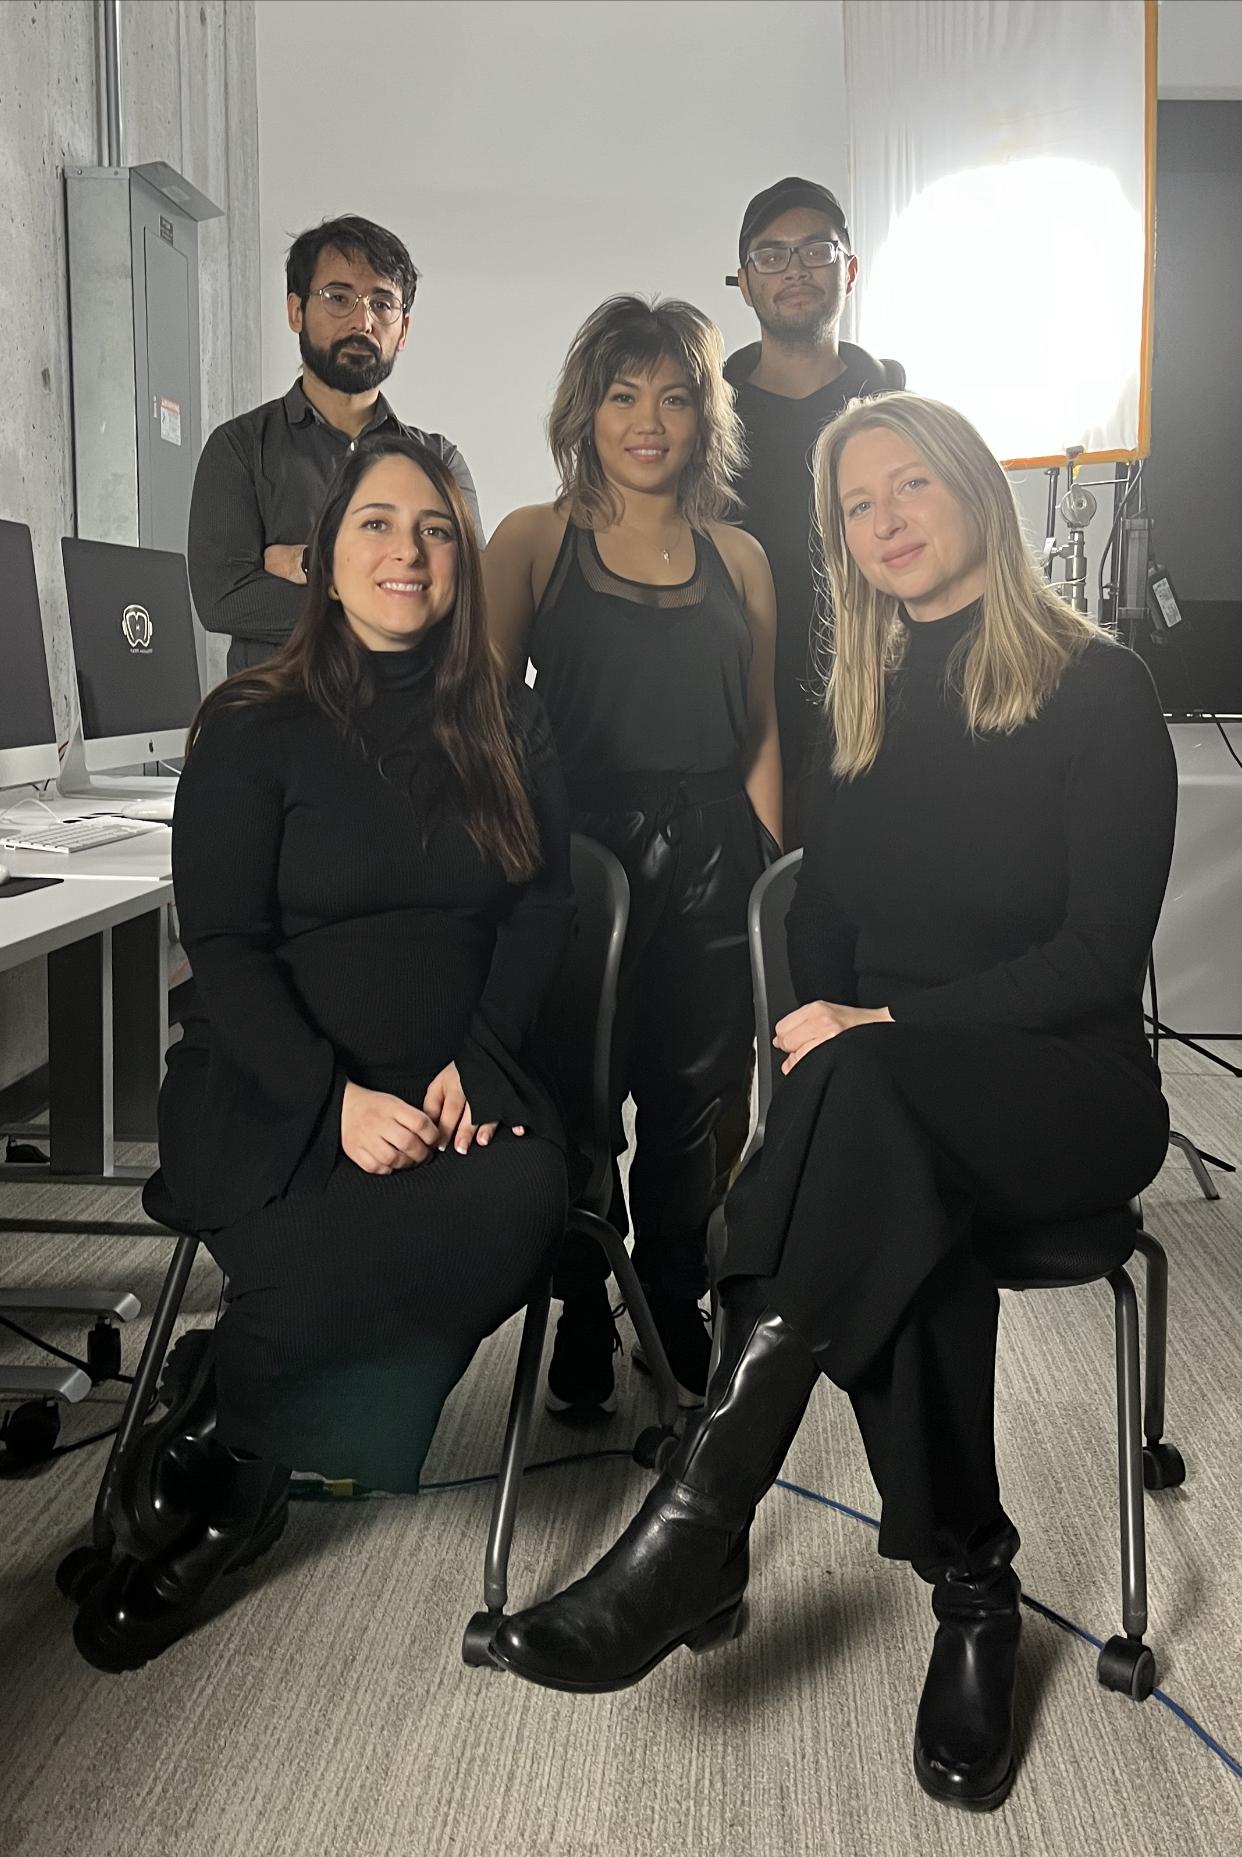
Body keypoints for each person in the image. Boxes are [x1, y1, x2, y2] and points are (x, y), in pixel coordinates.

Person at [488, 393, 1177, 1814]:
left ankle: (699, 1518)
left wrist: (877, 1027)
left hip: (1065, 1086)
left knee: (858, 1108)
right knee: (880, 1173)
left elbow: (1096, 957)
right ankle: (970, 1586)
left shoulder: (1098, 690)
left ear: (974, 490)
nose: (883, 524)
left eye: (907, 486)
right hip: (891, 1099)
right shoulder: (861, 705)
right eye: (854, 509)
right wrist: (830, 1025)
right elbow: (825, 919)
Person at [73, 435, 572, 1673]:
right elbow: (225, 944)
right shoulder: (252, 723)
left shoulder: (504, 719)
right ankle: (248, 1471)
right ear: (329, 558)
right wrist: (331, 1102)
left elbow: (543, 908)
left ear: (460, 557)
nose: (409, 551)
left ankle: (219, 1434)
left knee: (514, 1206)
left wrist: (481, 1058)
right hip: (272, 1084)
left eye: (437, 529)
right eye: (377, 526)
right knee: (324, 1258)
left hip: (459, 1088)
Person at [484, 296, 782, 1420]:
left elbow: (758, 736)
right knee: (574, 1102)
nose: (648, 419)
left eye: (673, 395)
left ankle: (673, 1304)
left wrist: (775, 885)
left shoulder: (741, 557)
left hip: (714, 852)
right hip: (577, 856)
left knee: (690, 1106)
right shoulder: (531, 538)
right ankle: (578, 1307)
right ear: (587, 410)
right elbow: (482, 725)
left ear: (705, 416)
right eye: (623, 395)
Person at [189, 214, 479, 673]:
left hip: (412, 727)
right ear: (296, 311)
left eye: (382, 304)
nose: (363, 321)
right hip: (278, 727)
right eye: (339, 298)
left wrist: (311, 563)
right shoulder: (241, 448)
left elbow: (464, 593)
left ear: (402, 330)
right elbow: (224, 600)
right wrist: (389, 600)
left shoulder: (438, 461)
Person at [725, 177, 905, 843]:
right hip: (735, 730)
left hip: (877, 717)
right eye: (771, 256)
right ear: (744, 282)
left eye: (815, 252)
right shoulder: (703, 419)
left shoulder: (898, 412)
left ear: (849, 269)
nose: (794, 270)